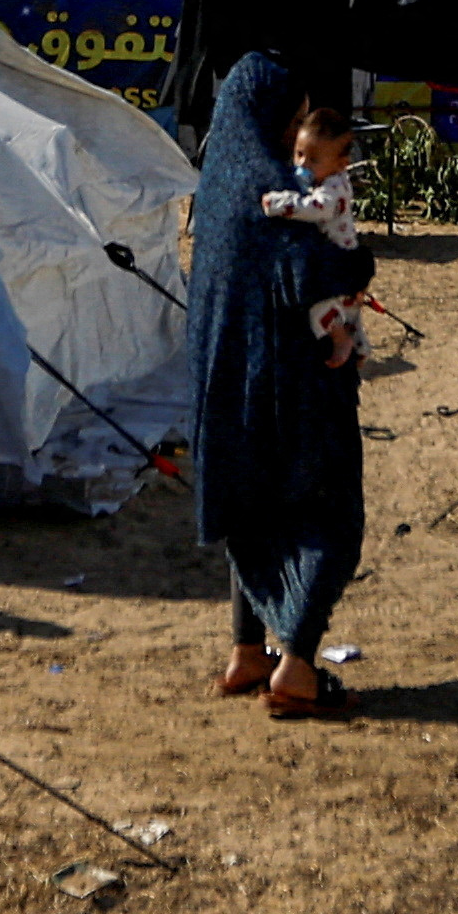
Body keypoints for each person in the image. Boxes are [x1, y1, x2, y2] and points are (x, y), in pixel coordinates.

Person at [185, 54, 369, 721]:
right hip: (294, 391)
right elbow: (311, 275)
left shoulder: (218, 183)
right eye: (293, 120)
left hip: (225, 391)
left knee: (249, 510)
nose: (298, 138)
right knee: (325, 514)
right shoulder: (272, 192)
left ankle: (246, 653)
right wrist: (360, 261)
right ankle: (294, 669)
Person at [260, 103, 363, 368]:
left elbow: (317, 209)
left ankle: (341, 341)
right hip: (343, 256)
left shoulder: (334, 188)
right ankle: (360, 349)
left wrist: (280, 203)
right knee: (350, 311)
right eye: (299, 154)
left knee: (319, 308)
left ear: (341, 164)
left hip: (337, 259)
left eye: (314, 160)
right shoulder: (325, 179)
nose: (303, 164)